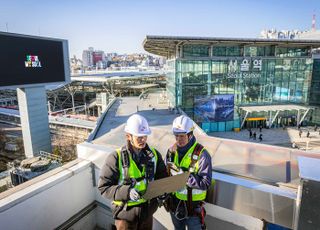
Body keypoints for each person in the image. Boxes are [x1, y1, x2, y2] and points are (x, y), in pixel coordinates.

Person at [98, 114, 167, 230]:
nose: (143, 139)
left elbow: (162, 177)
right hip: (125, 216)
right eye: (139, 137)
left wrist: (163, 191)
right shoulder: (116, 157)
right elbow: (104, 188)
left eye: (145, 136)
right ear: (128, 136)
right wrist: (127, 192)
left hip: (147, 213)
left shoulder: (154, 155)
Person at [164, 115, 212, 230]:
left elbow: (206, 183)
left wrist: (184, 177)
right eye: (176, 136)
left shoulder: (202, 155)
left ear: (190, 135)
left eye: (182, 136)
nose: (178, 140)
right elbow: (165, 175)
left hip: (193, 210)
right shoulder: (171, 152)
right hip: (174, 206)